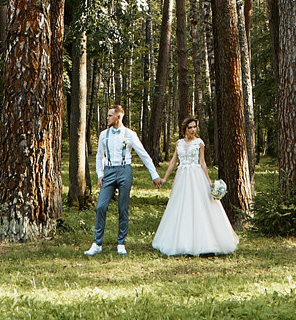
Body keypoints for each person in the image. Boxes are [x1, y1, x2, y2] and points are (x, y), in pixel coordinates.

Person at [153, 116, 239, 256]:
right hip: (182, 177)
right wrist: (164, 178)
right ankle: (182, 242)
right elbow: (174, 161)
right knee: (182, 206)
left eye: (195, 127)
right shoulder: (179, 143)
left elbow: (202, 162)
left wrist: (209, 181)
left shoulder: (199, 143)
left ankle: (207, 242)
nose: (193, 130)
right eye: (190, 127)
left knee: (201, 206)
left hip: (196, 175)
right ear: (185, 129)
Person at [86, 105, 159, 256]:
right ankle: (97, 243)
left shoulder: (130, 134)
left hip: (125, 170)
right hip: (110, 171)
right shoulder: (103, 135)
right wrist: (100, 174)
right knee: (101, 206)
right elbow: (99, 156)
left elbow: (143, 154)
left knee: (122, 207)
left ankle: (121, 242)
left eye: (110, 115)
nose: (107, 118)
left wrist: (154, 175)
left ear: (118, 117)